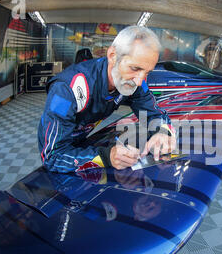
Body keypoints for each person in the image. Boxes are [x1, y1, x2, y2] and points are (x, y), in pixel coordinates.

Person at [38, 26, 176, 173]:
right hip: (61, 152)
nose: (139, 81)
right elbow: (52, 157)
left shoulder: (136, 82)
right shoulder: (65, 90)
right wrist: (106, 157)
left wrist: (163, 132)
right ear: (112, 55)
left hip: (84, 142)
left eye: (147, 72)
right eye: (134, 68)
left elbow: (155, 114)